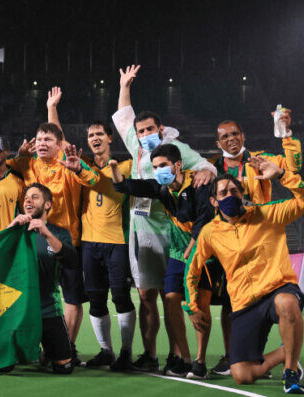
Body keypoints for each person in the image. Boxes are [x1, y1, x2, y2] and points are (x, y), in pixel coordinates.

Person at [111, 65, 217, 372]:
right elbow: (124, 117)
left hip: (170, 229)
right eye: (141, 131)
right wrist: (125, 86)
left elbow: (205, 167)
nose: (143, 134)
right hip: (140, 228)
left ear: (161, 130)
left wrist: (206, 172)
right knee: (146, 295)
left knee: (173, 295)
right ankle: (151, 353)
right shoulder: (137, 147)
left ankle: (178, 353)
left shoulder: (176, 148)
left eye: (149, 130)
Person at [185, 156, 304, 393]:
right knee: (242, 375)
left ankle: (290, 371)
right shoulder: (210, 232)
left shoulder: (267, 214)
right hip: (244, 304)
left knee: (287, 302)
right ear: (214, 201)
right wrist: (193, 306)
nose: (229, 195)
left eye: (233, 190)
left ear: (242, 194)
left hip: (277, 290)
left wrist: (281, 175)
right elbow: (193, 268)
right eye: (222, 193)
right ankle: (286, 352)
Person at [205, 116, 303, 375]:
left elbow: (294, 168)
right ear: (218, 142)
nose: (231, 139)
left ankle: (288, 354)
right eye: (225, 136)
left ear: (243, 136)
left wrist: (286, 137)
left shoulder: (260, 158)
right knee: (230, 299)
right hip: (229, 241)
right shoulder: (213, 167)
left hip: (261, 236)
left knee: (275, 294)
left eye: (235, 134)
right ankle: (233, 355)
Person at [10, 113, 99, 364]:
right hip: (33, 241)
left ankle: (67, 347)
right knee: (32, 292)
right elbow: (7, 165)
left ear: (59, 144)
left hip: (66, 240)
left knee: (71, 297)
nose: (42, 143)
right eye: (39, 139)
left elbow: (93, 179)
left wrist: (79, 166)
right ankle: (28, 347)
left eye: (48, 139)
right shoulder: (28, 164)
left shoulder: (69, 164)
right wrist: (19, 154)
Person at [68, 121, 137, 372]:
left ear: (110, 138)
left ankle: (126, 352)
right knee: (96, 300)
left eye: (99, 134)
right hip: (89, 243)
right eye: (90, 135)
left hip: (117, 241)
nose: (94, 138)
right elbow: (61, 140)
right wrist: (52, 107)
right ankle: (106, 351)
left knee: (120, 296)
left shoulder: (126, 166)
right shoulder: (81, 166)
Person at [7, 183, 78, 374]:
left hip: (48, 309)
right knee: (2, 366)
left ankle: (46, 352)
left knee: (64, 367)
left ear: (47, 205)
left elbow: (72, 261)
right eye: (26, 198)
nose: (28, 200)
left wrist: (46, 234)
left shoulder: (59, 233)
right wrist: (9, 230)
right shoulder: (14, 231)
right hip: (18, 311)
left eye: (34, 197)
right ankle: (31, 351)